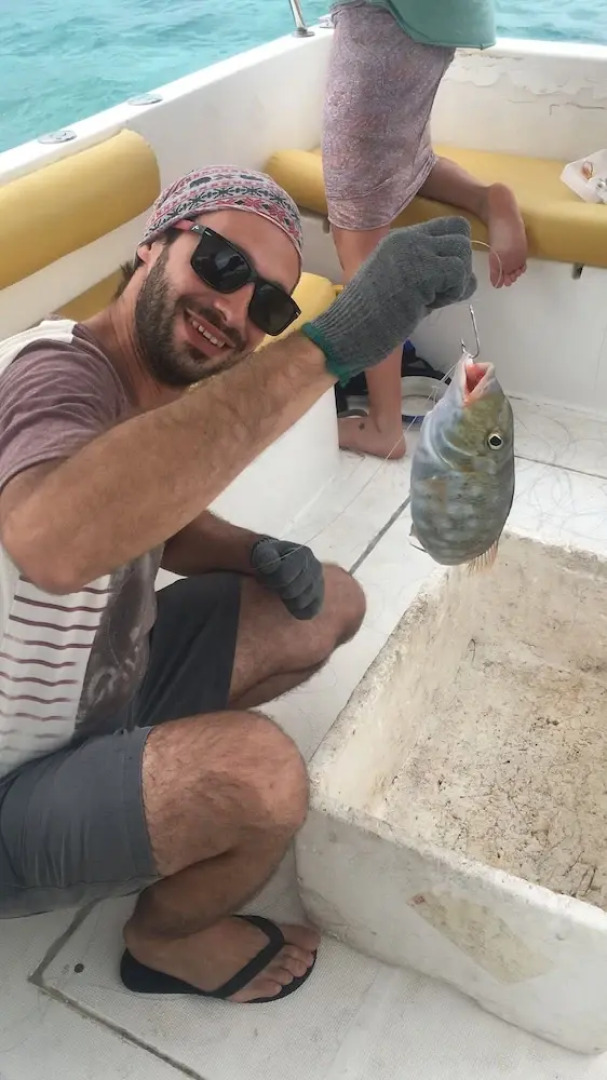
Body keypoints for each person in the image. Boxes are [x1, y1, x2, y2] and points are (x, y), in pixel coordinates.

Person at [0, 165, 475, 1005]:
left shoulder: (153, 387)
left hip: (96, 695)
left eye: (269, 307)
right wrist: (325, 346)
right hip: (11, 782)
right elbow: (53, 541)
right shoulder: (53, 375)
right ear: (153, 244)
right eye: (219, 265)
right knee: (262, 779)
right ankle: (163, 940)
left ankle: (133, 789)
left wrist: (253, 551)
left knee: (329, 599)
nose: (232, 311)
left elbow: (149, 519)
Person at [322, 0, 528, 459]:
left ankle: (382, 426)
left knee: (360, 240)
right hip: (427, 16)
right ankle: (483, 196)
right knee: (404, 157)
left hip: (388, 16)